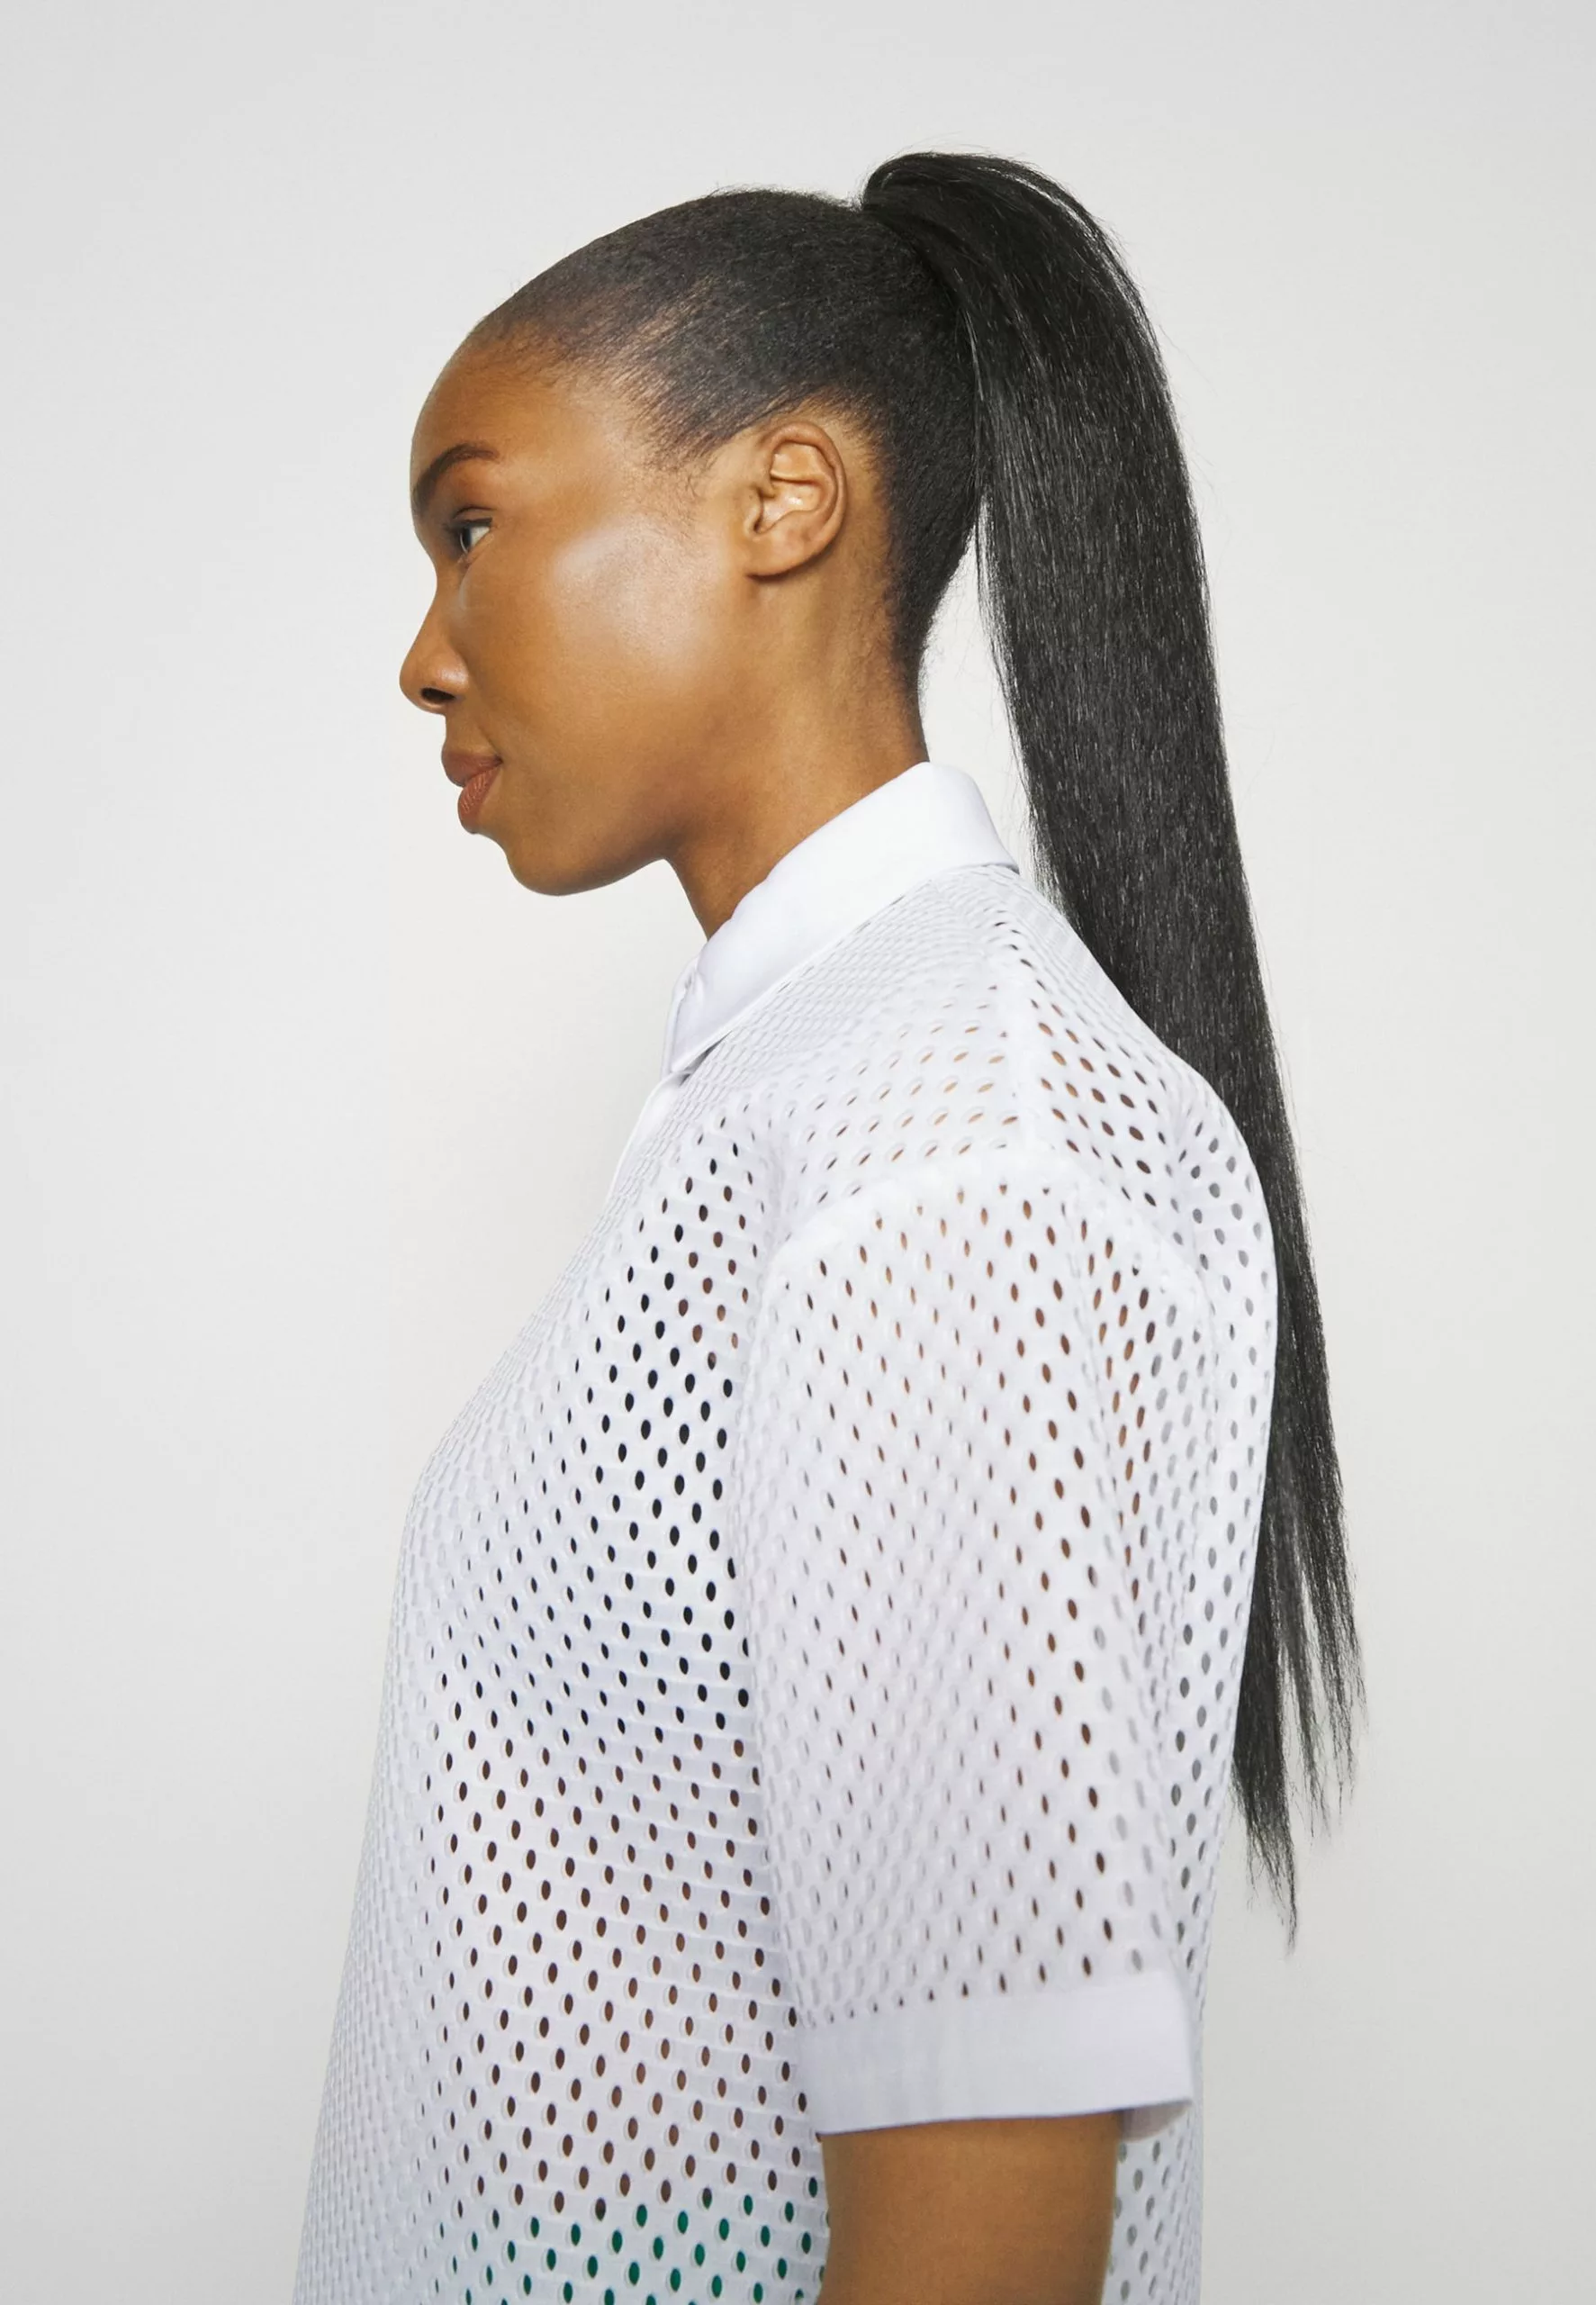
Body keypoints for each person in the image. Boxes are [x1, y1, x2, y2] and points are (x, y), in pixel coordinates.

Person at [293, 149, 1364, 2305]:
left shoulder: (947, 1122)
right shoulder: (822, 1084)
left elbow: (991, 2173)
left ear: (784, 500)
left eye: (472, 526)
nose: (422, 655)